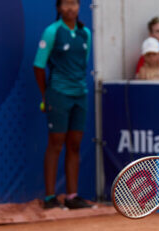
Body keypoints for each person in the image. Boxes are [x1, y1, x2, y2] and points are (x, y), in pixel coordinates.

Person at [33, 0, 92, 209]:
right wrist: (46, 95)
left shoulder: (86, 33)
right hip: (57, 94)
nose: (70, 8)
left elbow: (83, 63)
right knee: (56, 144)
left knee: (74, 144)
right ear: (58, 8)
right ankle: (50, 198)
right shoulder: (52, 31)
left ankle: (71, 196)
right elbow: (39, 66)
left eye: (74, 3)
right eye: (65, 4)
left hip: (80, 94)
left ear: (78, 7)